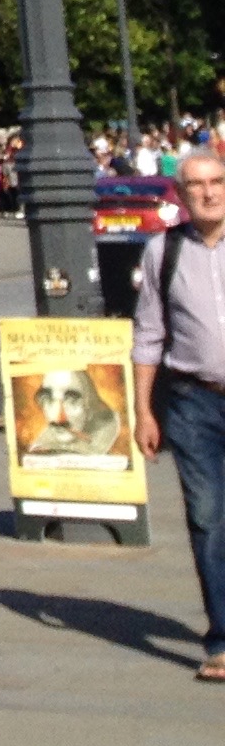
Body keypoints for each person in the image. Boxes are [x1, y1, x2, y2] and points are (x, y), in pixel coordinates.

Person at [133, 146, 225, 684]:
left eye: (216, 181)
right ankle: (220, 638)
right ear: (181, 194)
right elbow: (149, 335)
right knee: (209, 518)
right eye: (197, 185)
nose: (209, 192)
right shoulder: (162, 251)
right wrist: (144, 410)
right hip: (192, 401)